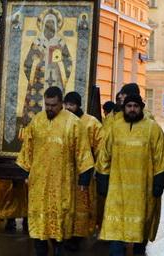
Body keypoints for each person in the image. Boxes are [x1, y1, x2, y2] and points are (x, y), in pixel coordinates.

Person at [16, 87, 94, 256]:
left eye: (53, 105)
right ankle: (40, 250)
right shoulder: (37, 121)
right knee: (39, 222)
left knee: (60, 221)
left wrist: (84, 178)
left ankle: (59, 249)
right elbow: (27, 149)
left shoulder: (73, 123)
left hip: (62, 183)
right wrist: (24, 172)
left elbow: (83, 151)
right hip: (38, 183)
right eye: (47, 105)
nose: (49, 108)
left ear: (61, 104)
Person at [95, 94, 164, 256]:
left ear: (141, 108)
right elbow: (105, 155)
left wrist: (159, 182)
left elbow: (162, 157)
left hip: (142, 191)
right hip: (118, 191)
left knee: (140, 232)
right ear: (124, 108)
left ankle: (139, 250)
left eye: (135, 106)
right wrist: (102, 179)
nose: (132, 109)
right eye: (129, 106)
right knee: (115, 231)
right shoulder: (115, 128)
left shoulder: (152, 128)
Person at [63, 91, 103, 251]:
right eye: (66, 104)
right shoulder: (62, 120)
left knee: (82, 206)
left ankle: (78, 237)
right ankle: (65, 234)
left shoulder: (91, 123)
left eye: (71, 104)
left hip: (84, 172)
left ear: (78, 105)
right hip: (65, 173)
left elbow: (101, 148)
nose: (68, 108)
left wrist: (97, 171)